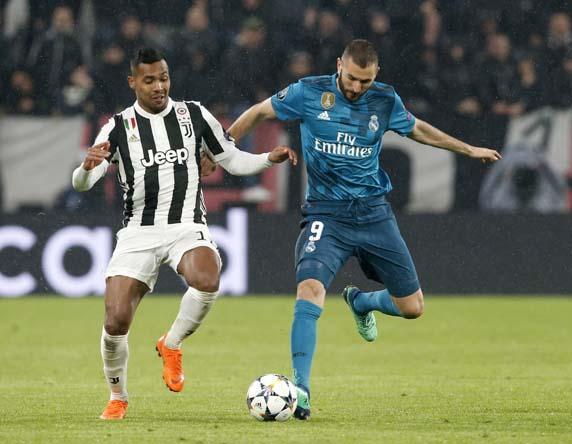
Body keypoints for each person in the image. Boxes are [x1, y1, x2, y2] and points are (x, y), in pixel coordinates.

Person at [227, 39, 501, 420]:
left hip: (374, 214)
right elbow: (259, 111)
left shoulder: (384, 100)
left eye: (365, 81)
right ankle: (301, 391)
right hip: (327, 214)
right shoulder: (309, 93)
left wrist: (468, 150)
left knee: (413, 307)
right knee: (309, 289)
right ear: (339, 65)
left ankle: (362, 302)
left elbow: (419, 130)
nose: (357, 87)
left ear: (376, 76)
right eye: (352, 78)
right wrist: (221, 148)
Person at [71, 48, 296, 420]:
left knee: (207, 278)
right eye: (149, 80)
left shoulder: (193, 115)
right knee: (115, 322)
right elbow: (83, 183)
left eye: (163, 78)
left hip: (186, 225)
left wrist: (265, 159)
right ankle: (118, 397)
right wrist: (85, 168)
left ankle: (171, 343)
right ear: (133, 82)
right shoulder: (117, 127)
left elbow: (230, 158)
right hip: (138, 232)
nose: (159, 86)